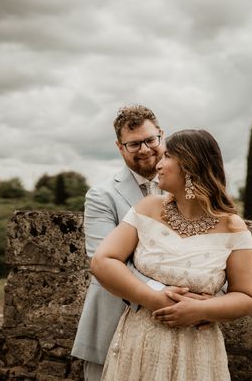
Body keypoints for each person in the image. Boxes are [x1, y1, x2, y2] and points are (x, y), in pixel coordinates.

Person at [91, 129, 252, 380]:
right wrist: (153, 299)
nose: (158, 163)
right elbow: (102, 261)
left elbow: (247, 296)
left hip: (197, 352)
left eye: (167, 156)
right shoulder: (147, 209)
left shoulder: (232, 227)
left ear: (189, 166)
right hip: (140, 344)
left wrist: (204, 310)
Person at [72, 105, 190, 380]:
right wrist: (168, 295)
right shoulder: (101, 196)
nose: (145, 149)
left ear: (162, 135)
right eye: (134, 144)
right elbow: (102, 260)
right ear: (120, 146)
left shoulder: (189, 188)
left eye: (150, 140)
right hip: (113, 325)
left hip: (178, 331)